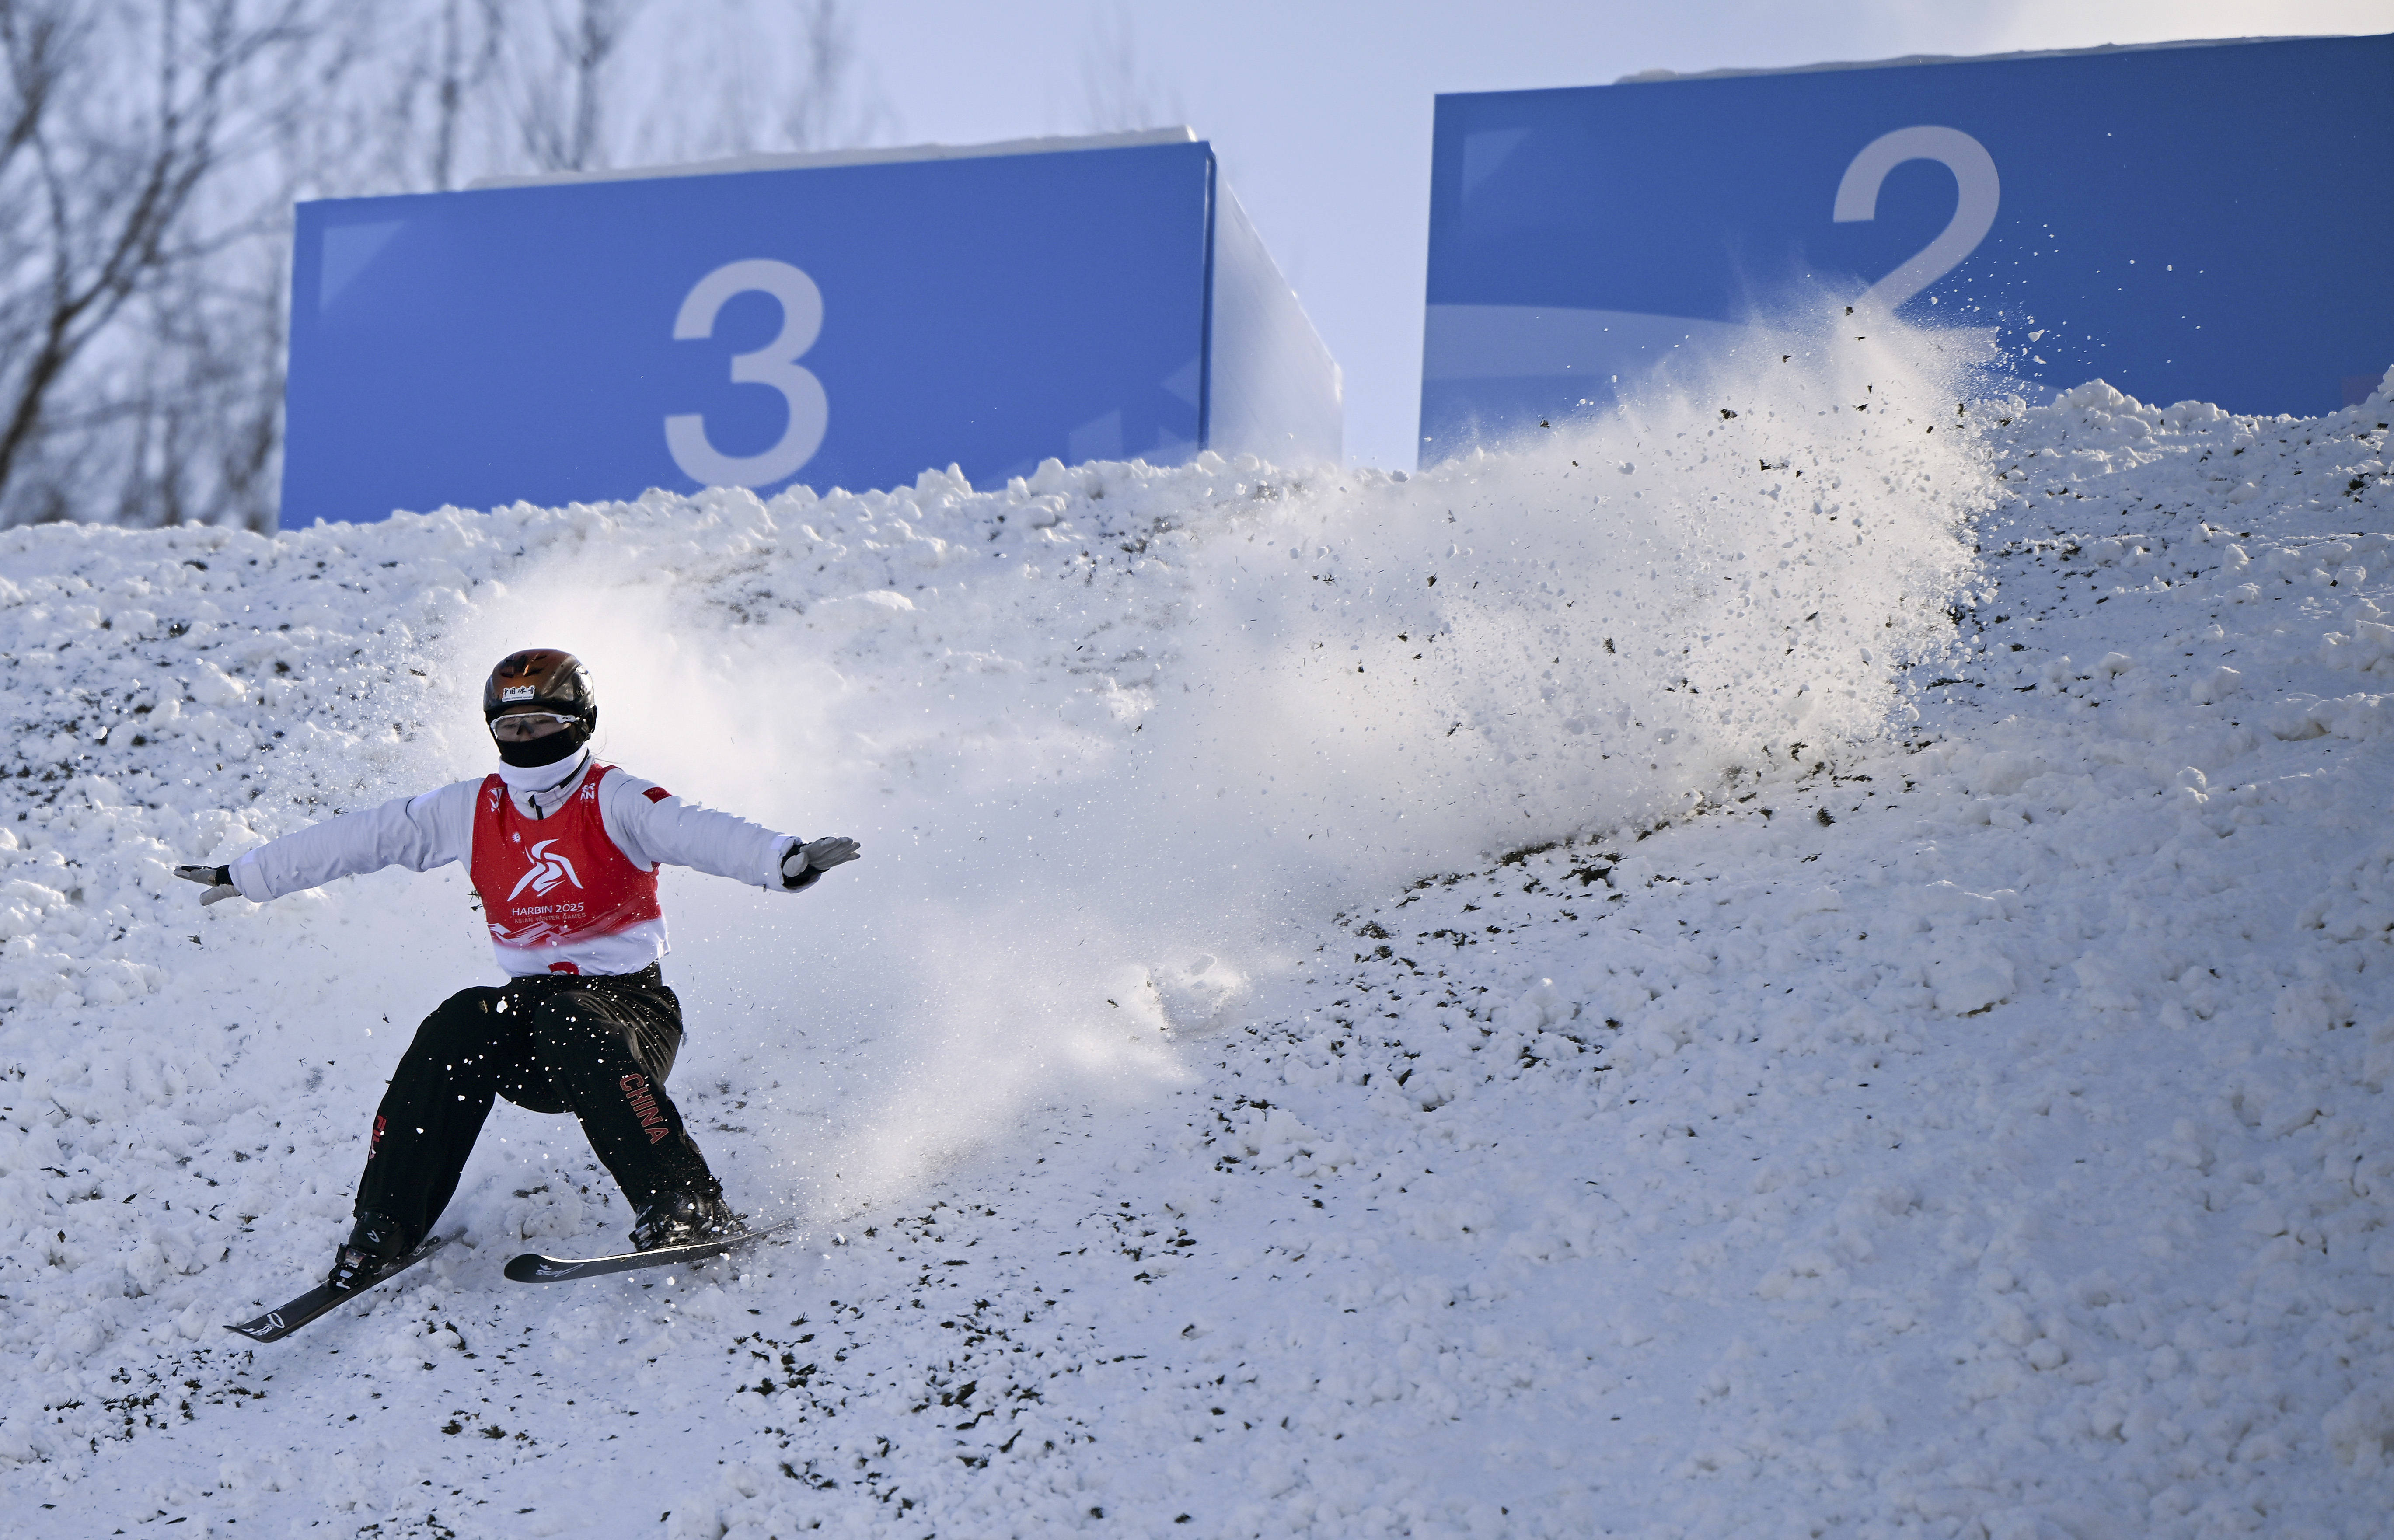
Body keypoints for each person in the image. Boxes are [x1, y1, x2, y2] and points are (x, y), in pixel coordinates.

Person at [175, 648, 858, 1289]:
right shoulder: (473, 808)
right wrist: (252, 874)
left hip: (628, 1019)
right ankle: (384, 1229)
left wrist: (782, 859)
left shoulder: (612, 798)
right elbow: (367, 835)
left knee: (571, 1016)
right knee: (459, 1019)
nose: (527, 737)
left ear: (579, 724)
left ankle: (686, 1201)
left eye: (543, 723)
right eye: (512, 725)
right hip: (529, 1016)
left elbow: (694, 828)